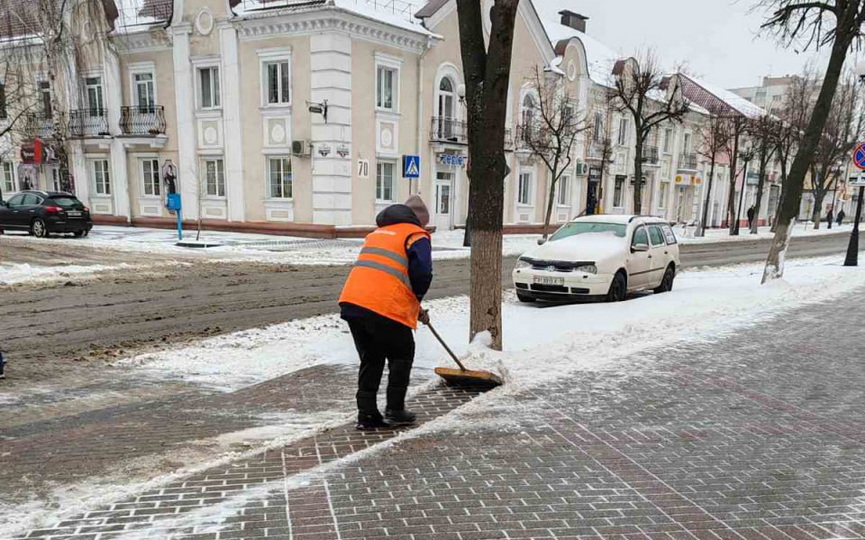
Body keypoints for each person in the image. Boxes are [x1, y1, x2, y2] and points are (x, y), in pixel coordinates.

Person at [339, 196, 433, 431]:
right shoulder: (415, 235)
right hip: (384, 305)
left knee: (371, 358)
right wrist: (416, 301)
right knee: (402, 355)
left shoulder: (377, 234)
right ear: (419, 220)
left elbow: (387, 274)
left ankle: (367, 415)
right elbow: (422, 274)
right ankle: (395, 410)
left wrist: (413, 304)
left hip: (353, 302)